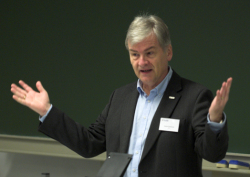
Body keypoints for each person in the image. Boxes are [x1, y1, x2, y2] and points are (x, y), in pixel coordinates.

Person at [11, 15, 232, 177]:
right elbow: (89, 144)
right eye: (134, 54)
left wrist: (214, 121)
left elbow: (212, 154)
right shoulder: (120, 97)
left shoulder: (194, 96)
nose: (141, 62)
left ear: (168, 52)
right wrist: (47, 112)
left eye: (149, 53)